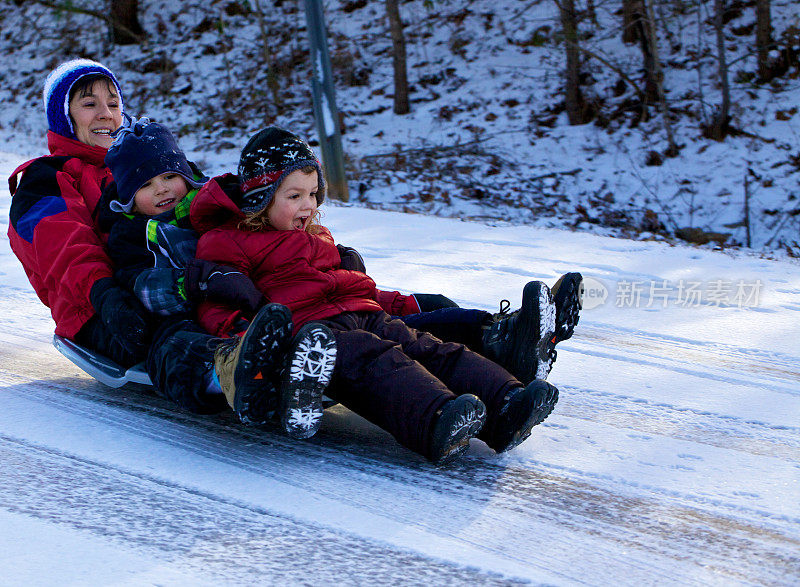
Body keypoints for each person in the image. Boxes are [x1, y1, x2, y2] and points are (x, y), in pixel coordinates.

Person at [189, 126, 561, 464]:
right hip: (314, 336)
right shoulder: (227, 239)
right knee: (378, 364)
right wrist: (247, 339)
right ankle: (436, 420)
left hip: (362, 311)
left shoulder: (317, 236)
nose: (309, 205)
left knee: (429, 348)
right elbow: (217, 302)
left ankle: (507, 405)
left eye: (314, 193)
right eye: (294, 195)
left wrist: (395, 304)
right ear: (260, 198)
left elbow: (351, 282)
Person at [6, 59, 303, 427]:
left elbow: (201, 199)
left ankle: (312, 348)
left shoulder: (141, 155)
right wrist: (105, 296)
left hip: (177, 277)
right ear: (64, 116)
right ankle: (230, 375)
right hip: (102, 306)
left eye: (113, 103)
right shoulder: (44, 179)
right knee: (170, 335)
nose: (106, 114)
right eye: (89, 104)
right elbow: (63, 250)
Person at [98, 117, 338, 438]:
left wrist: (323, 250)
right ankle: (235, 377)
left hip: (233, 303)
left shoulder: (211, 205)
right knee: (176, 352)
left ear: (186, 172)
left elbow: (265, 227)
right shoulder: (130, 233)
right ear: (127, 197)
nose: (162, 188)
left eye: (170, 175)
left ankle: (293, 364)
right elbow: (139, 284)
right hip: (176, 319)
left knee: (269, 319)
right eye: (145, 185)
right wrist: (189, 283)